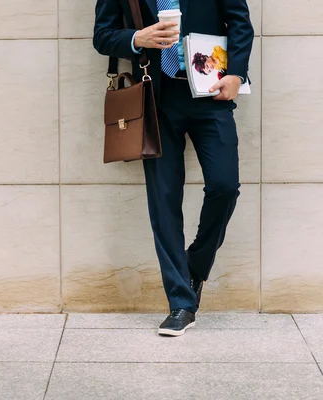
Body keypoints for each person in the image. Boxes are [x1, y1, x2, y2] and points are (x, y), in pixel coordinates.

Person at [93, 0, 254, 336]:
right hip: (155, 100)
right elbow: (102, 36)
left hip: (211, 94)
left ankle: (195, 264)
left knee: (225, 186)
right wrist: (138, 38)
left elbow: (240, 23)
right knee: (164, 199)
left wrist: (236, 73)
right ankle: (181, 303)